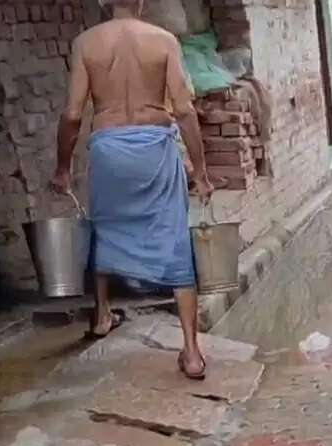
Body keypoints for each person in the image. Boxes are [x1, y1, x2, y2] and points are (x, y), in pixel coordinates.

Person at [53, 0, 214, 380]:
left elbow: (73, 114)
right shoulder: (163, 41)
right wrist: (201, 171)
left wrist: (62, 167)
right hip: (154, 149)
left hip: (109, 150)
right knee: (174, 239)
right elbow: (185, 109)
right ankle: (191, 352)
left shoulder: (85, 43)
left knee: (106, 228)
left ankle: (102, 314)